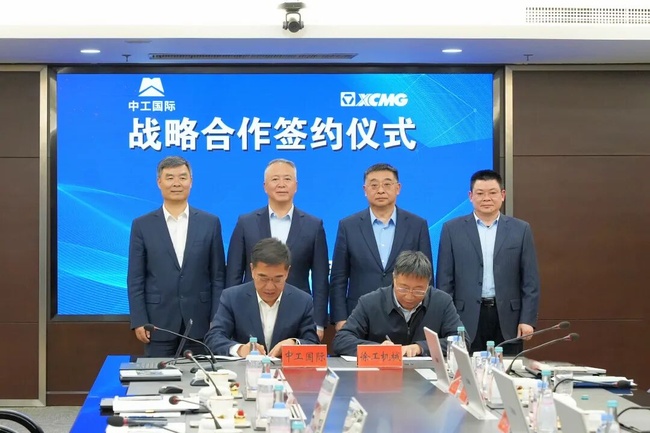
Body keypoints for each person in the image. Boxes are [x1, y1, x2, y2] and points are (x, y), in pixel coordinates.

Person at [127, 156, 226, 357]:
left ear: (191, 181)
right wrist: (139, 320)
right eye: (170, 177)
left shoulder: (210, 223)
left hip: (200, 325)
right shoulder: (142, 225)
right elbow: (136, 278)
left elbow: (218, 277)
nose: (176, 183)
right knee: (159, 376)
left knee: (201, 375)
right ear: (159, 182)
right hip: (157, 324)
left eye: (182, 177)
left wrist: (216, 319)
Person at [436, 169, 540, 355]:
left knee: (507, 369)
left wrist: (527, 319)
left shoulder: (520, 229)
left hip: (509, 318)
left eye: (492, 192)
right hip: (464, 318)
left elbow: (530, 280)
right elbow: (445, 280)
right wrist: (446, 320)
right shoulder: (452, 229)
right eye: (480, 193)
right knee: (465, 369)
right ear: (470, 196)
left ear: (502, 195)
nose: (486, 198)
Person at [226, 159, 330, 340]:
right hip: (251, 312)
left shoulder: (313, 225)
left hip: (297, 315)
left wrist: (318, 322)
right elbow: (234, 274)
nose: (281, 184)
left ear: (296, 186)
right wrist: (231, 315)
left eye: (287, 179)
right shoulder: (246, 223)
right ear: (265, 186)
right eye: (275, 179)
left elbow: (320, 279)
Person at [329, 163, 433, 332]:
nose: (380, 190)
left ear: (398, 188)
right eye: (374, 185)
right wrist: (340, 319)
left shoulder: (417, 225)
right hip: (359, 316)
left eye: (387, 184)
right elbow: (338, 278)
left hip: (407, 316)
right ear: (365, 190)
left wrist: (427, 316)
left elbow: (427, 276)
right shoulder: (348, 226)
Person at [205, 237, 320, 358]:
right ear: (252, 270)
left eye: (277, 279)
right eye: (263, 278)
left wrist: (294, 343)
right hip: (246, 368)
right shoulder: (232, 298)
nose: (269, 287)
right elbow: (214, 338)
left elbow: (313, 343)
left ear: (287, 272)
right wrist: (240, 349)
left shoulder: (303, 301)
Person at [333, 251, 462, 357]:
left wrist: (421, 347)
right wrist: (378, 348)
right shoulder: (370, 302)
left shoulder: (442, 302)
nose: (409, 296)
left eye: (418, 290)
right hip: (380, 375)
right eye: (403, 288)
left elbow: (461, 341)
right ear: (394, 278)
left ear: (428, 284)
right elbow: (341, 340)